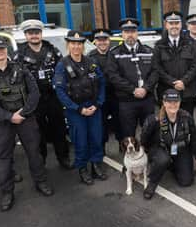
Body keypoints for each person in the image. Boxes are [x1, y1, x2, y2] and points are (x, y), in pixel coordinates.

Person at [0, 35, 53, 212]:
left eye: (2, 49)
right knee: (4, 159)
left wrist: (23, 113)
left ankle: (41, 182)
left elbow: (35, 93)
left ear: (6, 50)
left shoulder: (21, 68)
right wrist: (9, 117)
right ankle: (6, 192)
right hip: (2, 122)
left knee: (34, 153)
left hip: (25, 118)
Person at [13, 20, 72, 169]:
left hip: (53, 97)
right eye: (30, 33)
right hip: (33, 100)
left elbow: (62, 70)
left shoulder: (52, 50)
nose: (34, 36)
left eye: (37, 33)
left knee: (59, 129)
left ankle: (63, 157)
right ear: (26, 35)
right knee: (37, 133)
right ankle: (41, 162)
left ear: (41, 34)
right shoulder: (19, 54)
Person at [54, 30, 107, 185]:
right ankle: (83, 168)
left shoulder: (91, 62)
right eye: (73, 43)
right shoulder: (62, 65)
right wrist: (77, 109)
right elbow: (60, 91)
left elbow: (102, 83)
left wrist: (98, 104)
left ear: (83, 46)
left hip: (93, 107)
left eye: (79, 43)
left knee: (96, 138)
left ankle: (96, 165)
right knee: (80, 140)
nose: (76, 46)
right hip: (75, 110)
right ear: (68, 45)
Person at [140, 89, 196, 199]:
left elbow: (194, 138)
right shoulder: (154, 120)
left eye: (176, 102)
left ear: (180, 102)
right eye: (169, 102)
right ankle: (152, 183)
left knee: (186, 181)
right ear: (164, 102)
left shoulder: (186, 117)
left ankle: (171, 166)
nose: (173, 105)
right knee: (163, 159)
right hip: (160, 149)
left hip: (180, 148)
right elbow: (144, 140)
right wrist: (151, 154)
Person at [105, 18, 158, 139]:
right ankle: (131, 157)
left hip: (147, 99)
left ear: (137, 33)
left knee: (150, 131)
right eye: (126, 31)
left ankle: (151, 155)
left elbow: (155, 72)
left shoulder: (149, 51)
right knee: (128, 134)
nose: (130, 34)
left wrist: (145, 88)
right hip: (127, 101)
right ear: (122, 34)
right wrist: (133, 90)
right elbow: (114, 76)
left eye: (133, 31)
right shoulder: (114, 54)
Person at [153, 11, 196, 114]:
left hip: (187, 92)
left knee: (187, 124)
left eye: (177, 23)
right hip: (167, 92)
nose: (174, 26)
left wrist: (183, 81)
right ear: (166, 25)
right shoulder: (159, 46)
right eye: (171, 23)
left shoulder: (190, 44)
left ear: (181, 25)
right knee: (167, 125)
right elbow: (157, 68)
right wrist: (173, 82)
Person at [89, 28, 119, 150]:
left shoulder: (116, 54)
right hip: (99, 97)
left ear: (109, 40)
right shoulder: (89, 57)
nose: (102, 42)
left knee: (120, 123)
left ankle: (123, 148)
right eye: (99, 40)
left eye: (105, 39)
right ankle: (101, 151)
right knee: (101, 126)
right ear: (95, 41)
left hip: (116, 95)